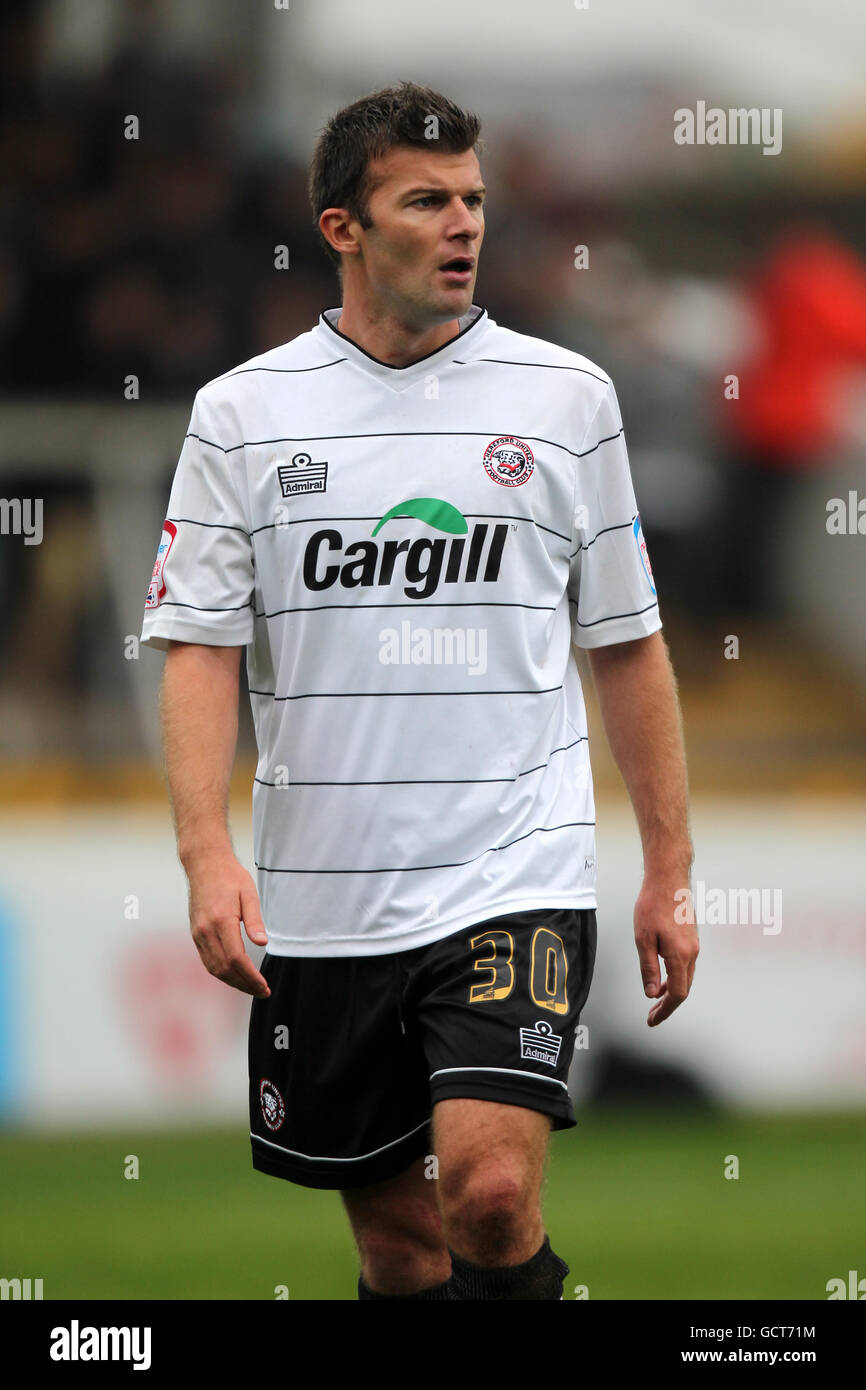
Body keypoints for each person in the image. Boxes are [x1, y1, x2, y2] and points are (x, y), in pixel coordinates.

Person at [140, 81, 697, 1301]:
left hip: (515, 870)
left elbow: (627, 644)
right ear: (342, 226)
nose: (463, 225)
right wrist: (202, 852)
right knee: (401, 1248)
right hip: (326, 897)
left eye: (474, 200)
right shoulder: (241, 415)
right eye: (425, 201)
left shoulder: (565, 402)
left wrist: (667, 864)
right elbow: (197, 643)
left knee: (488, 1197)